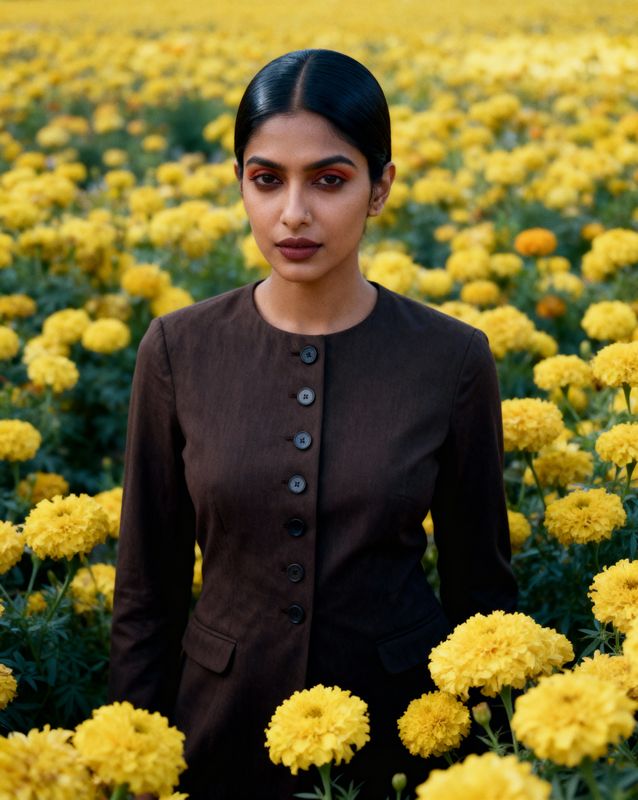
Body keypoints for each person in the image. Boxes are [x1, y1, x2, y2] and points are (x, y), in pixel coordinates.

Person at [108, 48, 517, 800]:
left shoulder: (453, 359)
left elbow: (481, 594)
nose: (294, 213)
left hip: (400, 734)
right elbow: (145, 592)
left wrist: (486, 758)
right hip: (217, 731)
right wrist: (135, 760)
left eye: (329, 180)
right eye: (267, 180)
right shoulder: (177, 349)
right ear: (240, 185)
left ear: (380, 187)